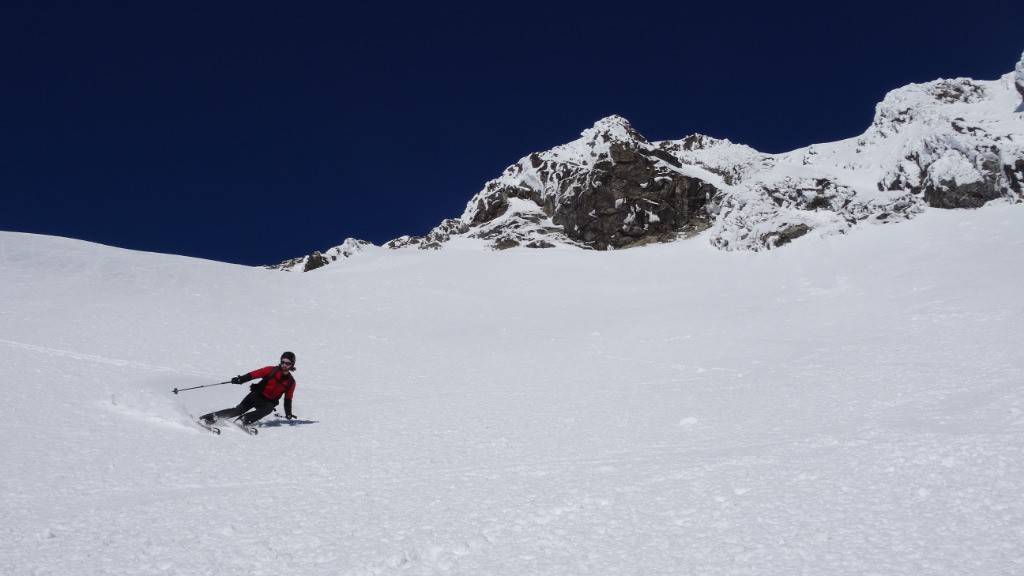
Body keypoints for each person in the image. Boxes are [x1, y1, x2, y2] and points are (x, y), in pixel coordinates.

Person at [200, 351, 299, 426]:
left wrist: (288, 413)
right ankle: (208, 418)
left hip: (267, 402)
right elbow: (253, 375)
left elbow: (288, 399)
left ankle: (244, 420)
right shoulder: (271, 370)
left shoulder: (291, 382)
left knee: (269, 408)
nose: (284, 365)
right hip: (256, 395)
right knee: (237, 411)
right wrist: (240, 380)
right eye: (283, 362)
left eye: (288, 363)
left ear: (292, 365)